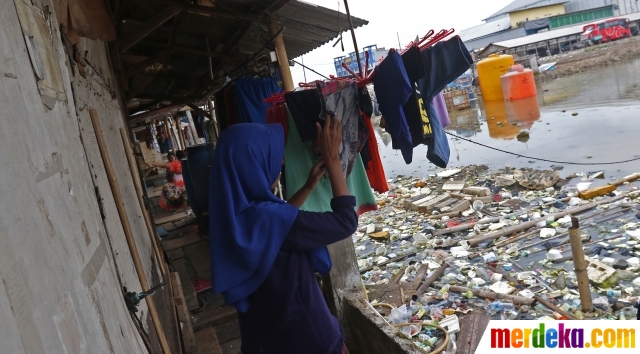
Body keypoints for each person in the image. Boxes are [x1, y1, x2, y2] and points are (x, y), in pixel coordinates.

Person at [209, 116, 357, 354]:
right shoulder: (269, 219)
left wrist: (308, 186)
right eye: (273, 156)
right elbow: (346, 222)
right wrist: (332, 160)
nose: (282, 160)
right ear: (253, 165)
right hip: (309, 337)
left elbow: (277, 228)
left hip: (265, 340)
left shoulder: (232, 222)